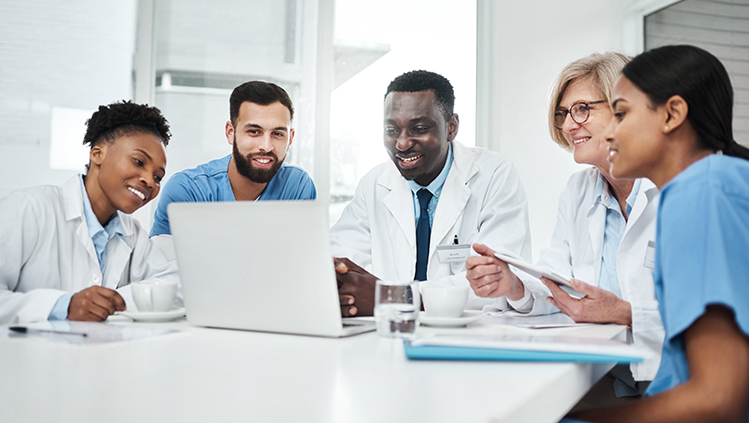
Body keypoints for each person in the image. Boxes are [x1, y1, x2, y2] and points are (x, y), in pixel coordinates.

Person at [466, 53, 665, 403]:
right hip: (606, 378)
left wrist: (622, 313)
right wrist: (512, 284)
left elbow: (712, 319)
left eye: (583, 108)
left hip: (671, 381)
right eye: (564, 114)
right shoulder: (579, 190)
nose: (570, 125)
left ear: (626, 108)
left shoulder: (673, 190)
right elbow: (559, 280)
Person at [567, 45, 749, 422]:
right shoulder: (714, 183)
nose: (610, 134)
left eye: (621, 114)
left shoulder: (700, 192)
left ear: (672, 114)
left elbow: (718, 397)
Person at [330, 70, 532, 317]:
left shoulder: (494, 176)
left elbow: (497, 281)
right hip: (392, 333)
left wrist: (393, 297)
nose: (402, 144)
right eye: (392, 130)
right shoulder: (374, 184)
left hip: (470, 334)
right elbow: (337, 256)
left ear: (451, 127)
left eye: (419, 128)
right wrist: (336, 278)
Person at [0, 101, 178, 324]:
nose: (149, 181)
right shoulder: (31, 208)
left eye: (158, 177)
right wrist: (62, 306)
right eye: (139, 161)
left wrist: (113, 303)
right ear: (97, 154)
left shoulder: (133, 234)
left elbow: (177, 283)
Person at [150, 80, 316, 236]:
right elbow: (161, 264)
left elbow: (302, 259)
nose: (266, 146)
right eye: (254, 131)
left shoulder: (298, 187)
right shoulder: (188, 191)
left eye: (277, 134)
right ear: (231, 132)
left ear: (290, 139)